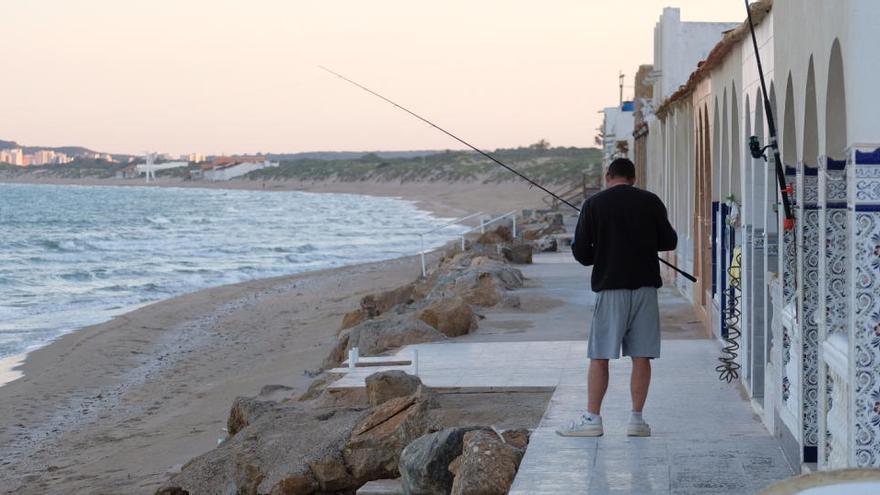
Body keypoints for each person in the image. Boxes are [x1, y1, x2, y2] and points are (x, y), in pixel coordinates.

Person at [556, 157, 678, 437]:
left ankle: (593, 420)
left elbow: (582, 254)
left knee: (600, 356)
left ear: (608, 176)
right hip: (645, 288)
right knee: (641, 355)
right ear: (633, 178)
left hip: (611, 288)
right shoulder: (651, 201)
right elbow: (669, 241)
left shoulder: (594, 204)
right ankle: (637, 420)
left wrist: (600, 247)